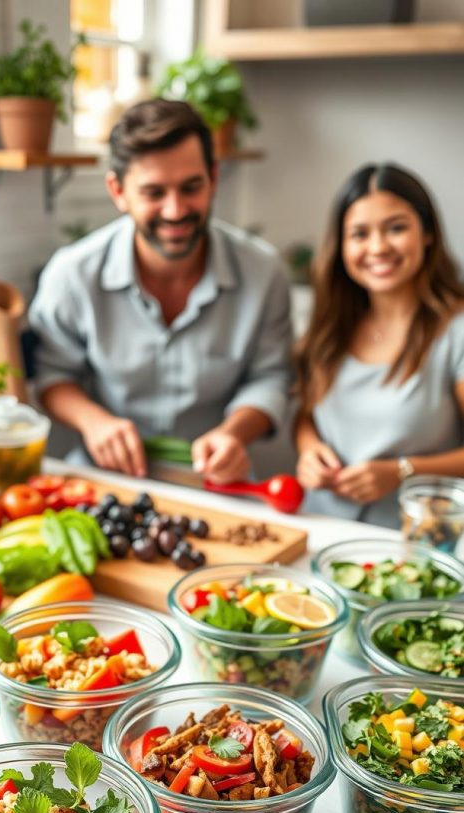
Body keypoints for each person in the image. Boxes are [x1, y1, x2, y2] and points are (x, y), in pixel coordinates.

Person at [29, 98, 293, 484]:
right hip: (106, 478)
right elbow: (51, 376)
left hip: (216, 482)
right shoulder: (72, 274)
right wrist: (95, 422)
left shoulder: (264, 273)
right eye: (154, 193)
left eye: (191, 187)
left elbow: (271, 378)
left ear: (214, 178)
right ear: (118, 191)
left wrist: (233, 433)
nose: (175, 210)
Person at [294, 162, 464, 528]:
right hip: (317, 530)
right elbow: (306, 413)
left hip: (414, 548)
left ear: (428, 233)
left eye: (397, 228)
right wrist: (309, 449)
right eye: (359, 234)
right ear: (341, 245)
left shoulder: (457, 331)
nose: (378, 247)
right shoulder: (332, 323)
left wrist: (403, 472)